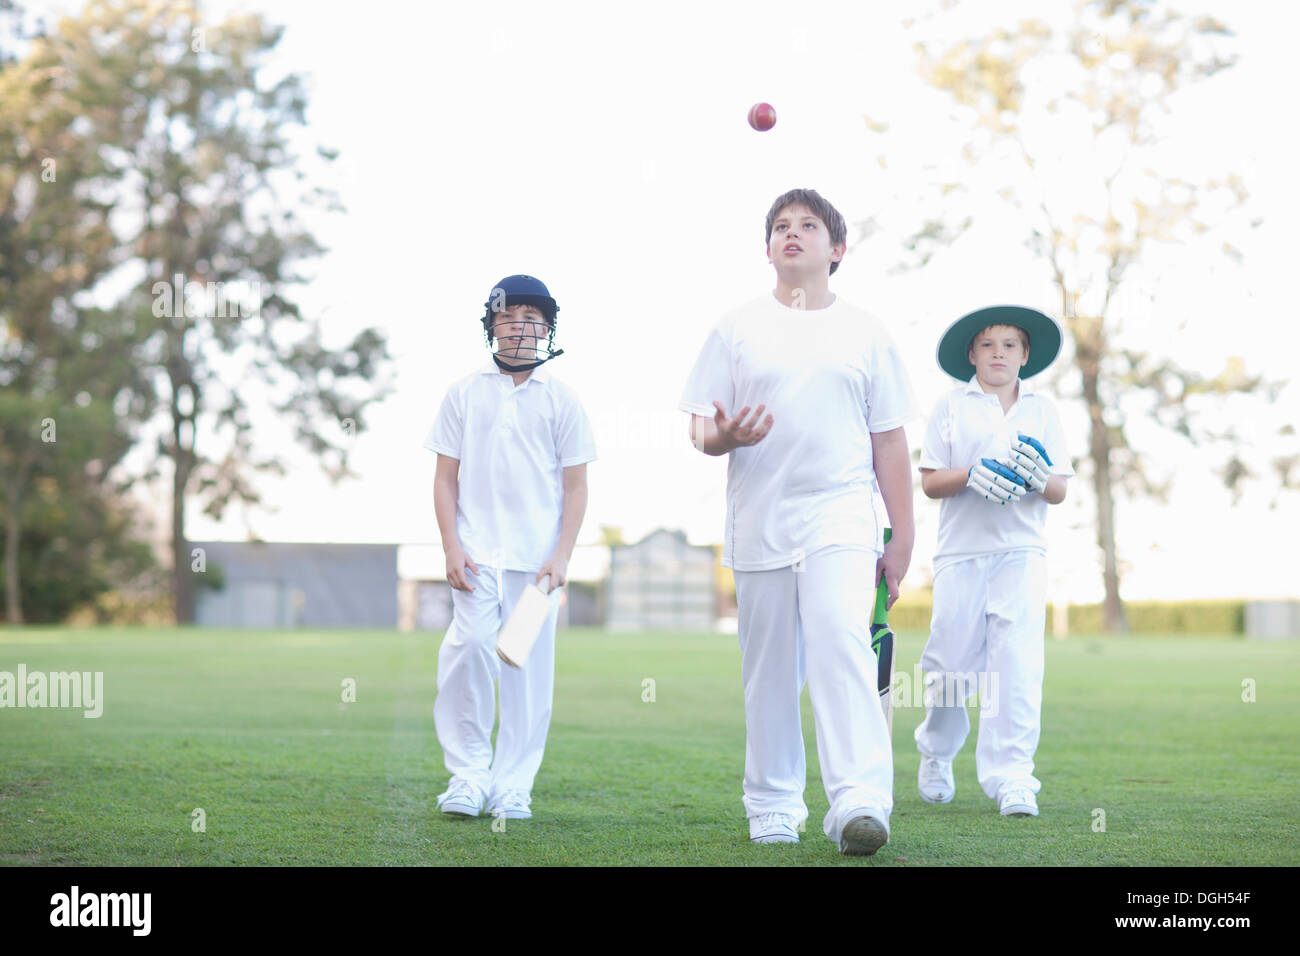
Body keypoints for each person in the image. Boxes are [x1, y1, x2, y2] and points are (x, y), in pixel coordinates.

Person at [679, 188, 917, 856]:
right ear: (767, 248)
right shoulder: (736, 326)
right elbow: (701, 425)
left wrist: (901, 536)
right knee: (771, 668)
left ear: (836, 249)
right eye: (781, 226)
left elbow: (890, 440)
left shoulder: (866, 331)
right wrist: (722, 437)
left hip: (841, 515)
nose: (792, 233)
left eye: (808, 225)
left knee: (842, 638)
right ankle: (775, 806)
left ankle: (859, 802)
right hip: (759, 519)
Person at [424, 274, 595, 821]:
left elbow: (575, 486)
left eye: (532, 320)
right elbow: (445, 479)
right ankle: (468, 777)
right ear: (491, 326)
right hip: (476, 557)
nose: (520, 328)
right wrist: (451, 546)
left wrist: (562, 554)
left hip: (536, 566)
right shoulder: (464, 392)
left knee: (523, 669)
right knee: (470, 648)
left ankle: (512, 784)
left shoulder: (562, 400)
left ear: (547, 330)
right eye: (509, 317)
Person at [914, 305, 1072, 818]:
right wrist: (970, 474)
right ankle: (936, 753)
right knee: (950, 668)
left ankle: (1013, 778)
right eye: (987, 344)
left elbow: (1059, 491)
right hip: (961, 554)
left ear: (1026, 355)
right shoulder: (950, 407)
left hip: (1022, 552)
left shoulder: (1043, 411)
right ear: (971, 355)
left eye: (1009, 345)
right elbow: (931, 480)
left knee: (1018, 664)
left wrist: (1037, 475)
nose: (998, 353)